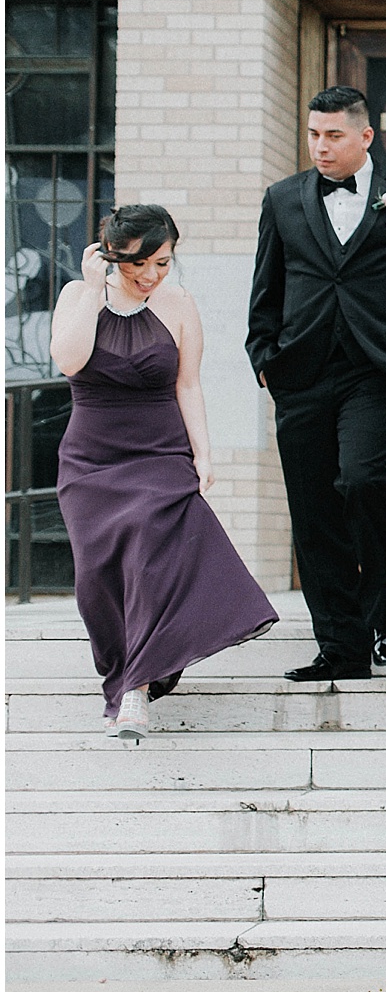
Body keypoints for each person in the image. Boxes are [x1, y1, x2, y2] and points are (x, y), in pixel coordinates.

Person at [53, 206, 278, 743]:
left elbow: (188, 385)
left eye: (163, 262)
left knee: (150, 557)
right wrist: (90, 291)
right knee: (95, 580)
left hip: (159, 453)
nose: (152, 275)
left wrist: (203, 453)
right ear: (113, 257)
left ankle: (134, 691)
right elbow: (68, 360)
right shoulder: (75, 296)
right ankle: (122, 673)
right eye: (139, 265)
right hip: (91, 460)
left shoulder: (179, 304)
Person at [248, 86, 386, 682]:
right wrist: (264, 356)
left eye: (333, 134)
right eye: (314, 134)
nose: (321, 145)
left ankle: (381, 617)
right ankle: (341, 647)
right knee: (313, 509)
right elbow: (267, 283)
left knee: (361, 481)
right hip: (300, 371)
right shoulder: (282, 198)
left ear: (365, 136)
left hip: (375, 366)